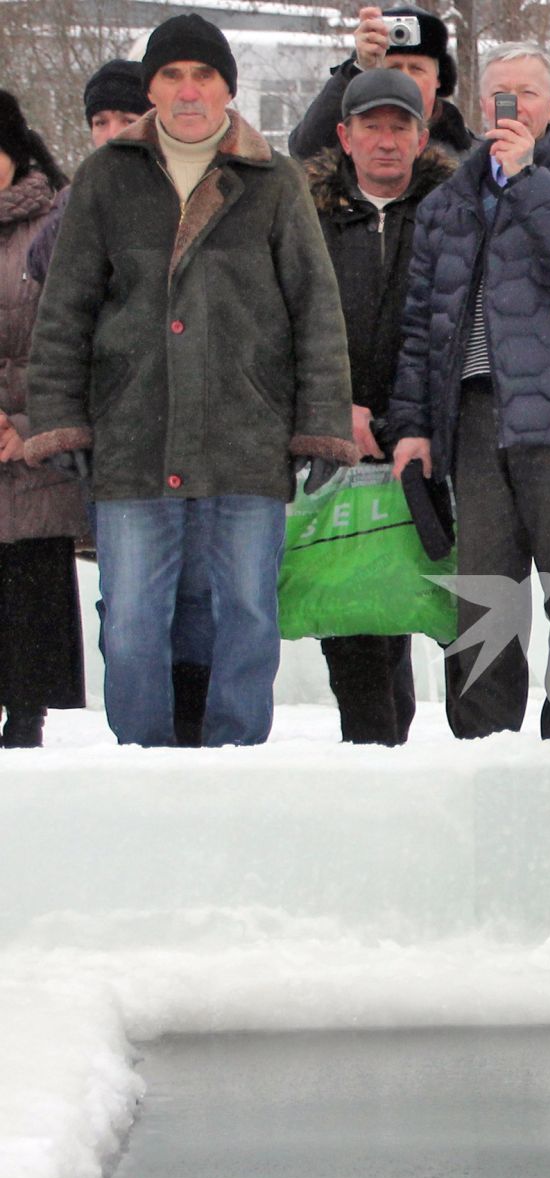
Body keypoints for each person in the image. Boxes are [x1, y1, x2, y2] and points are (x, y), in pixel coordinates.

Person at [26, 15, 357, 747]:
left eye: (202, 75)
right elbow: (66, 308)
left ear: (226, 88)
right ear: (151, 88)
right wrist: (59, 415)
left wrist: (320, 422)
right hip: (132, 438)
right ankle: (142, 764)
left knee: (245, 614)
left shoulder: (273, 180)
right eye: (171, 75)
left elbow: (315, 308)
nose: (187, 90)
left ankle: (235, 757)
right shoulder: (105, 178)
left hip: (246, 437)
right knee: (135, 620)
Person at [388, 43, 550, 740]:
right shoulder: (446, 203)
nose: (512, 106)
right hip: (471, 419)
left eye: (526, 93)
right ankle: (482, 747)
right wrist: (413, 425)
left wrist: (528, 180)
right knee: (484, 603)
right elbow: (420, 326)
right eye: (500, 93)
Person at [27, 57, 217, 746]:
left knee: (200, 598)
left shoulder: (206, 181)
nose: (111, 131)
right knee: (130, 605)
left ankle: (193, 732)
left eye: (122, 117)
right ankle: (139, 744)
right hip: (122, 433)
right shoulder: (86, 196)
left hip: (207, 430)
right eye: (98, 122)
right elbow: (47, 276)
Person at [306, 69, 454, 744]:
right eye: (372, 125)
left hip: (428, 438)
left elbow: (453, 327)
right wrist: (336, 408)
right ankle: (371, 756)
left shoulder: (453, 211)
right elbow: (286, 323)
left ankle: (433, 762)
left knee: (424, 598)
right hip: (336, 435)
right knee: (351, 610)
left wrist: (411, 420)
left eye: (400, 126)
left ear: (422, 137)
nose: (386, 140)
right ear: (345, 135)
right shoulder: (307, 215)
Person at [0, 93, 84, 747]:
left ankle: (26, 725)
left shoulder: (59, 218)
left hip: (33, 442)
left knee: (28, 596)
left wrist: (26, 424)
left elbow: (74, 336)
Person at [288, 4, 474, 161]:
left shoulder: (469, 155)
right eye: (394, 68)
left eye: (416, 69)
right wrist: (357, 72)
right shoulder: (355, 141)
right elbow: (305, 150)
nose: (405, 79)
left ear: (439, 78)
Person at [27, 60, 148, 282]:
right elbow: (42, 266)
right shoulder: (75, 195)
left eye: (128, 121)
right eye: (100, 123)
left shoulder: (175, 192)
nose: (112, 134)